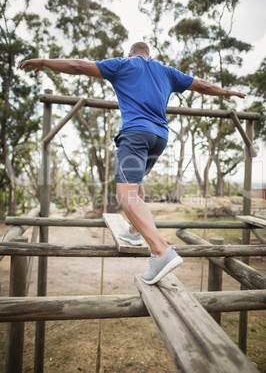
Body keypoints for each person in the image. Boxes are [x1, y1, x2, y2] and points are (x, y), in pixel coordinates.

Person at [20, 42, 246, 285]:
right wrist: (225, 93)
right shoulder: (166, 71)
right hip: (159, 137)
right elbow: (202, 85)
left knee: (125, 195)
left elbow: (78, 66)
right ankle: (134, 231)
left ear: (131, 53)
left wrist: (45, 62)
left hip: (136, 133)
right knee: (134, 186)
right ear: (150, 55)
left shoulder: (122, 64)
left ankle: (161, 251)